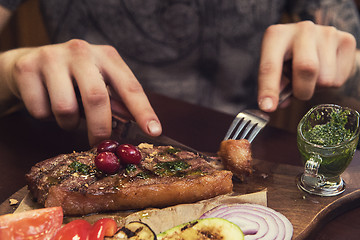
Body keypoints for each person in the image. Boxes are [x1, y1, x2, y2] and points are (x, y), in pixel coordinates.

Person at [0, 0, 359, 146]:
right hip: (75, 145)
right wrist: (10, 71)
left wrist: (345, 61)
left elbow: (353, 57)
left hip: (254, 150)